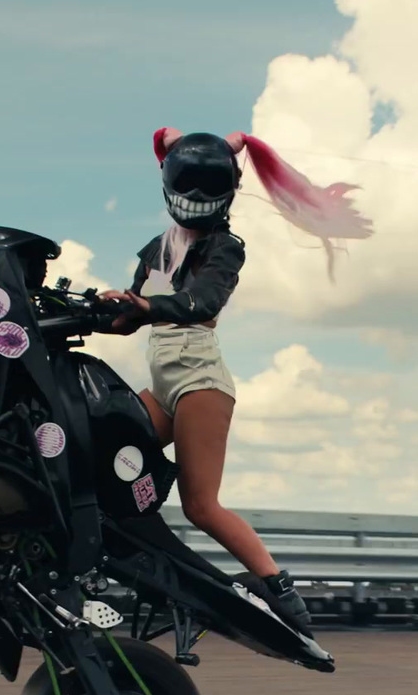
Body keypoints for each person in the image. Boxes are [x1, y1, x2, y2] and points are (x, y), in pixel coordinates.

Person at [96, 127, 373, 638]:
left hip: (200, 381)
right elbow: (134, 311)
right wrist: (96, 310)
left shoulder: (225, 250)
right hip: (162, 384)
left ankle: (278, 588)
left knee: (201, 504)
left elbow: (200, 302)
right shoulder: (158, 250)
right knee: (101, 445)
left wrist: (143, 307)